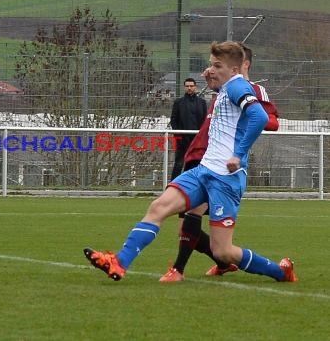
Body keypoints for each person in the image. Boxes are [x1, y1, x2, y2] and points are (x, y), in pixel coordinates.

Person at [84, 41, 297, 283]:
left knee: (223, 251)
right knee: (158, 208)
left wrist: (238, 154)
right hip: (204, 171)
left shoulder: (238, 87)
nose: (211, 69)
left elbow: (259, 116)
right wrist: (213, 77)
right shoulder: (228, 87)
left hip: (225, 179)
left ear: (235, 70)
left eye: (217, 65)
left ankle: (281, 273)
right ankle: (119, 263)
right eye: (210, 64)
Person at [159, 42, 280, 282]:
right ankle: (221, 263)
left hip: (222, 166)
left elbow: (270, 121)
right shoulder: (223, 90)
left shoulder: (253, 90)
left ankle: (179, 270)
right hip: (200, 155)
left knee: (191, 217)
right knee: (187, 220)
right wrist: (211, 79)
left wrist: (246, 119)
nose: (216, 68)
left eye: (220, 64)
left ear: (244, 64)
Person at [169, 78, 207, 180]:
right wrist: (178, 135)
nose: (189, 88)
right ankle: (173, 186)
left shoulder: (202, 103)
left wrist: (201, 137)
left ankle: (192, 186)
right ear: (184, 87)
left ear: (195, 87)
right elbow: (173, 120)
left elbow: (205, 120)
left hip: (197, 139)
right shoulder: (178, 102)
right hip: (182, 139)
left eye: (191, 86)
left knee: (195, 162)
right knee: (179, 163)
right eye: (187, 86)